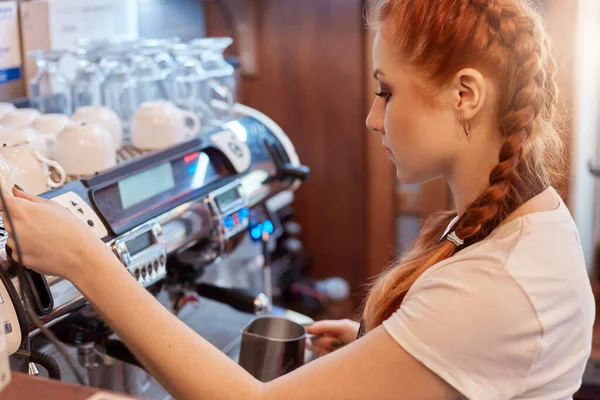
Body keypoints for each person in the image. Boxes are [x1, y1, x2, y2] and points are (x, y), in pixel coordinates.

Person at [1, 0, 595, 398]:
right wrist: (382, 354)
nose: (371, 118)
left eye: (387, 92)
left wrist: (85, 260)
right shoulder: (528, 220)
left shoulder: (499, 286)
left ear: (466, 94)